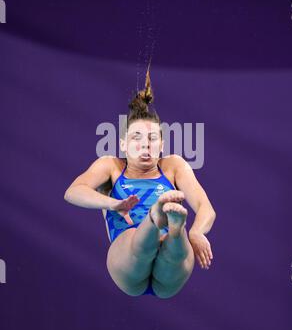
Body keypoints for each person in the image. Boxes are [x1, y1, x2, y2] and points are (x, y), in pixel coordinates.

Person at [64, 67, 216, 298]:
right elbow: (73, 192)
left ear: (162, 145)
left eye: (152, 139)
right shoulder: (111, 165)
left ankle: (176, 229)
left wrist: (196, 233)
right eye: (137, 138)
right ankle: (156, 218)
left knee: (174, 252)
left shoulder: (174, 165)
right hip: (126, 263)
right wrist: (112, 204)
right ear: (123, 145)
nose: (145, 145)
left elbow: (206, 209)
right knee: (138, 246)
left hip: (169, 276)